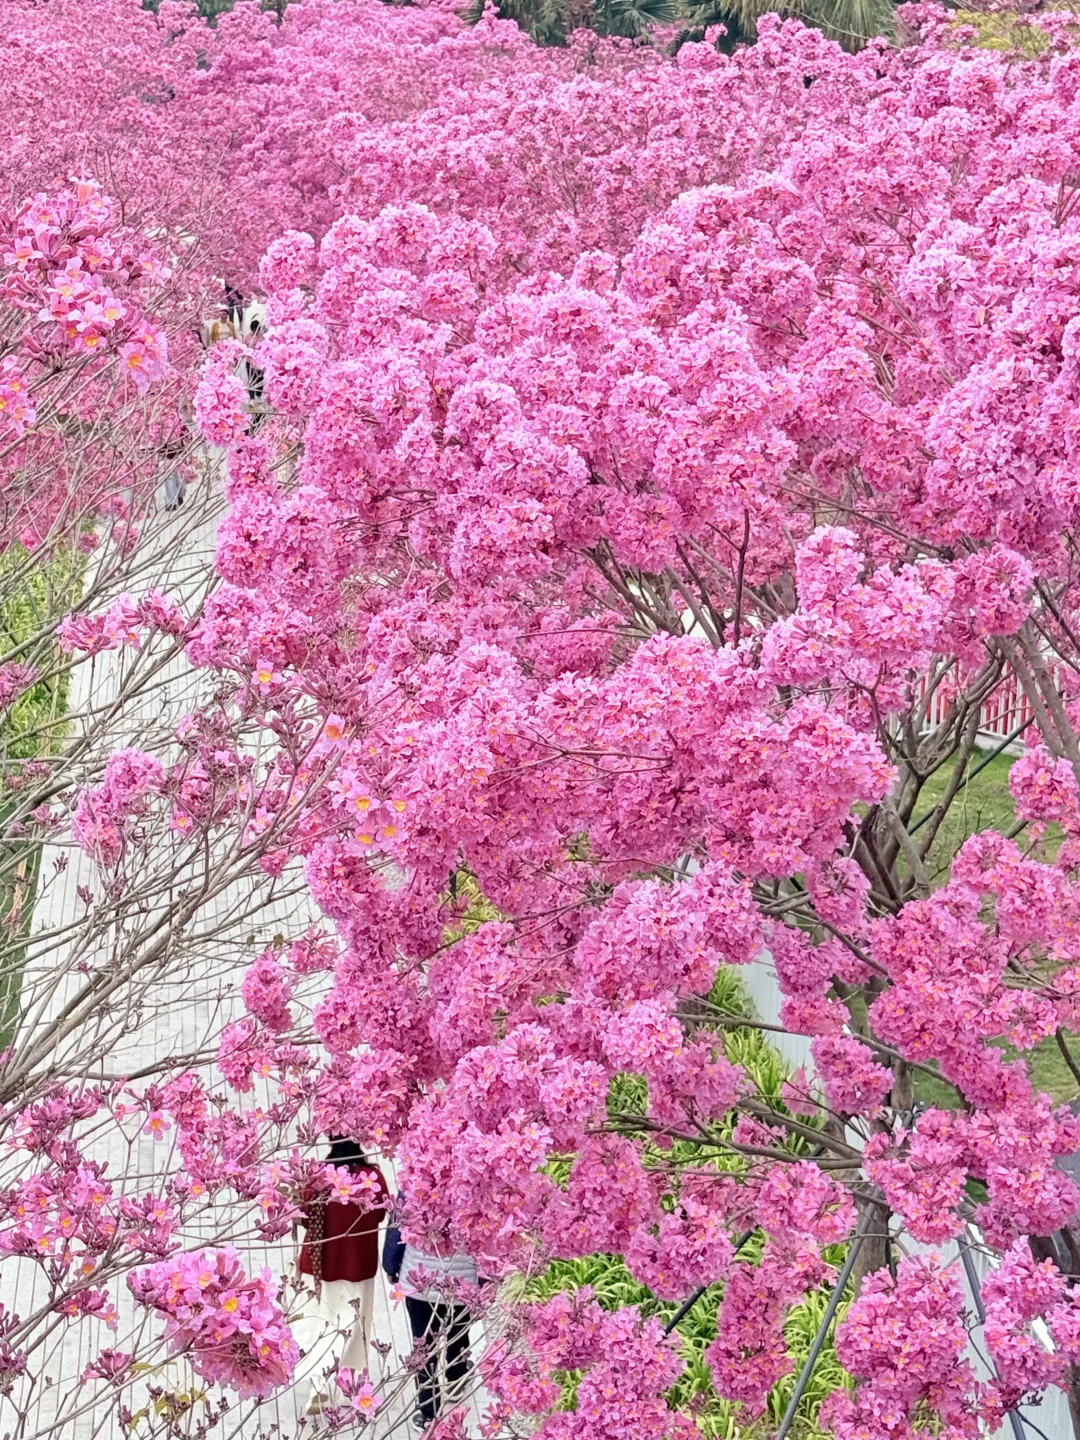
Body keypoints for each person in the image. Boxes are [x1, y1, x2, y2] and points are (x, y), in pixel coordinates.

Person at [294, 1138, 388, 1415]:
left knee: (321, 1325)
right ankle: (354, 1385)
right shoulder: (373, 1177)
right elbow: (381, 1215)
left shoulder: (317, 1177)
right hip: (358, 1265)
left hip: (320, 1267)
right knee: (356, 1328)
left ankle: (318, 1386)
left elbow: (305, 1216)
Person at [383, 1207, 478, 1429]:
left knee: (423, 1346)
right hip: (462, 1280)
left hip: (419, 1279)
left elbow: (396, 1228)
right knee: (458, 1330)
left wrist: (390, 1265)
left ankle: (428, 1412)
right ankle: (456, 1378)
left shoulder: (414, 1182)